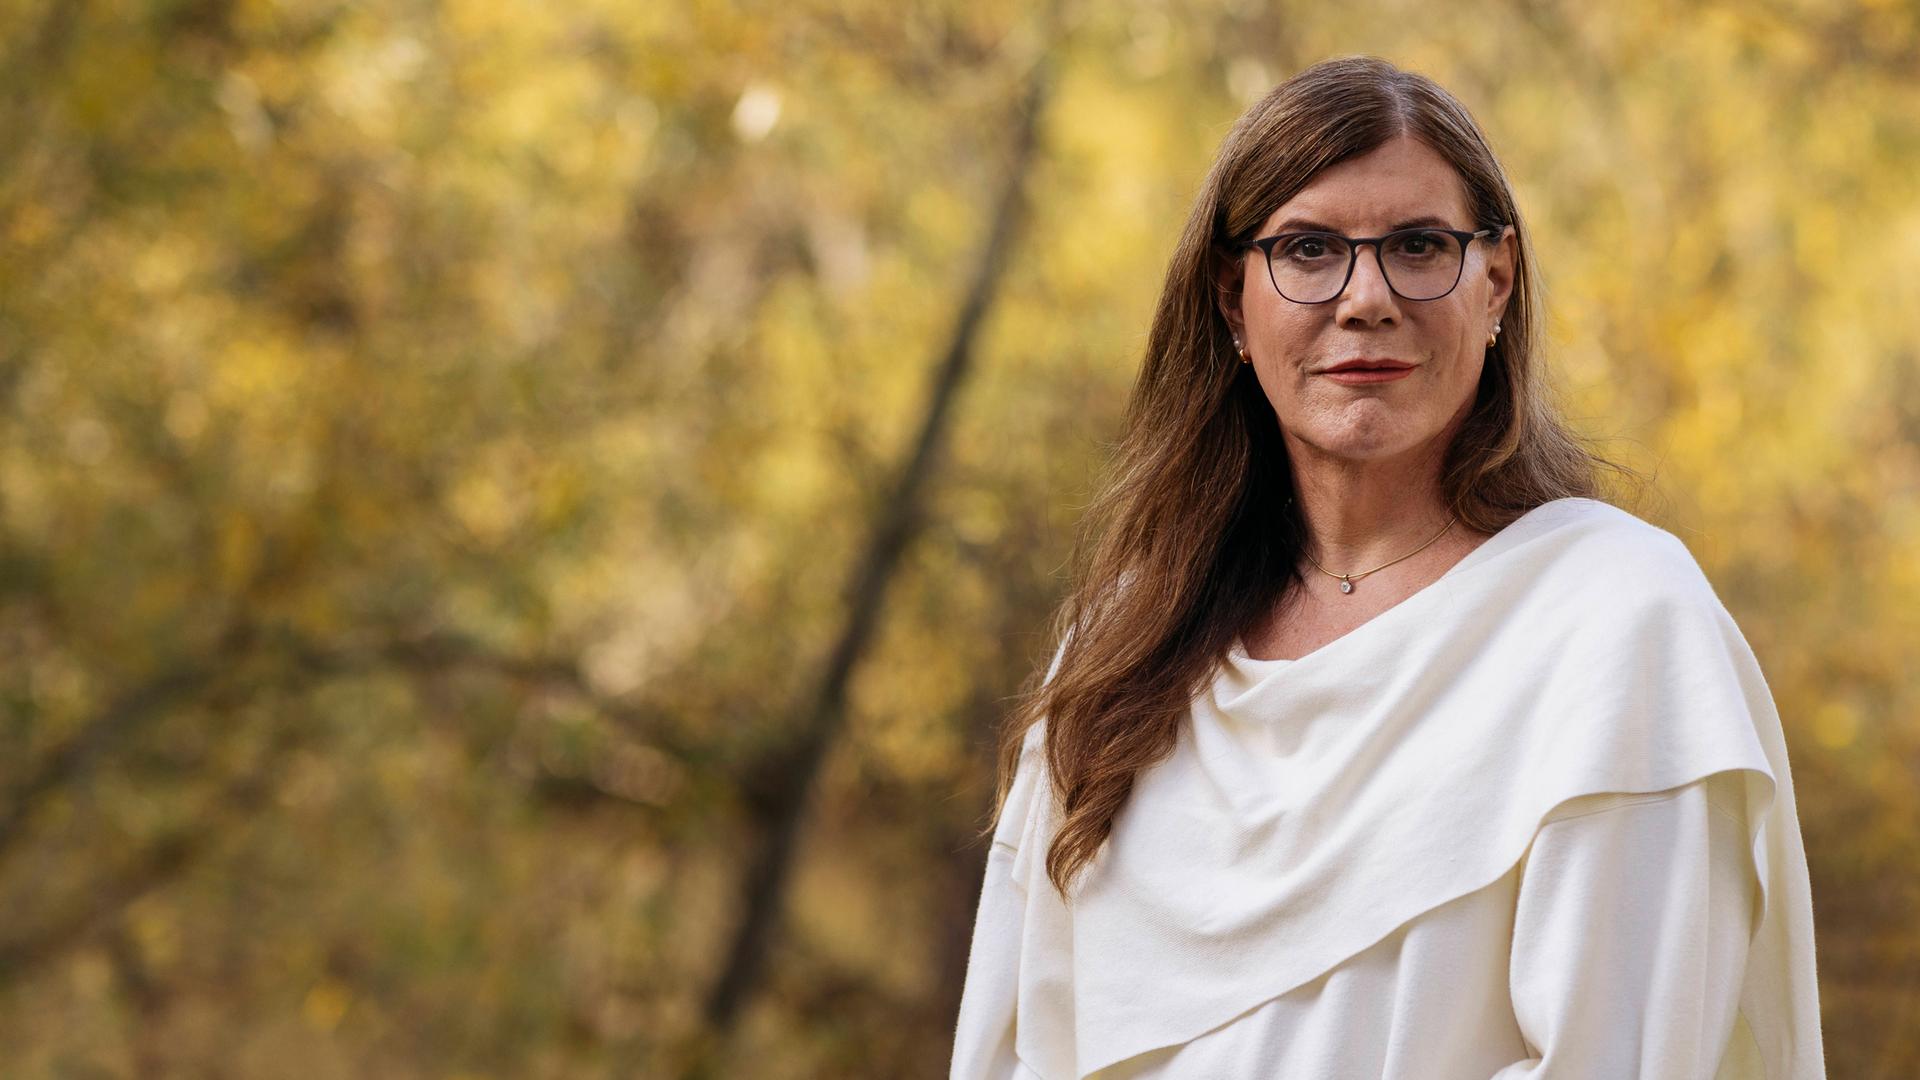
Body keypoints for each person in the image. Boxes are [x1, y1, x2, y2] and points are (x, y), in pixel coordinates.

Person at [948, 55, 1825, 1079]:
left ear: (1495, 283)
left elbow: (1618, 1058)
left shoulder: (1617, 624)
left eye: (1418, 246)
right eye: (1308, 250)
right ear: (1233, 302)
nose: (1365, 298)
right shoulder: (1121, 648)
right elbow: (1014, 1046)